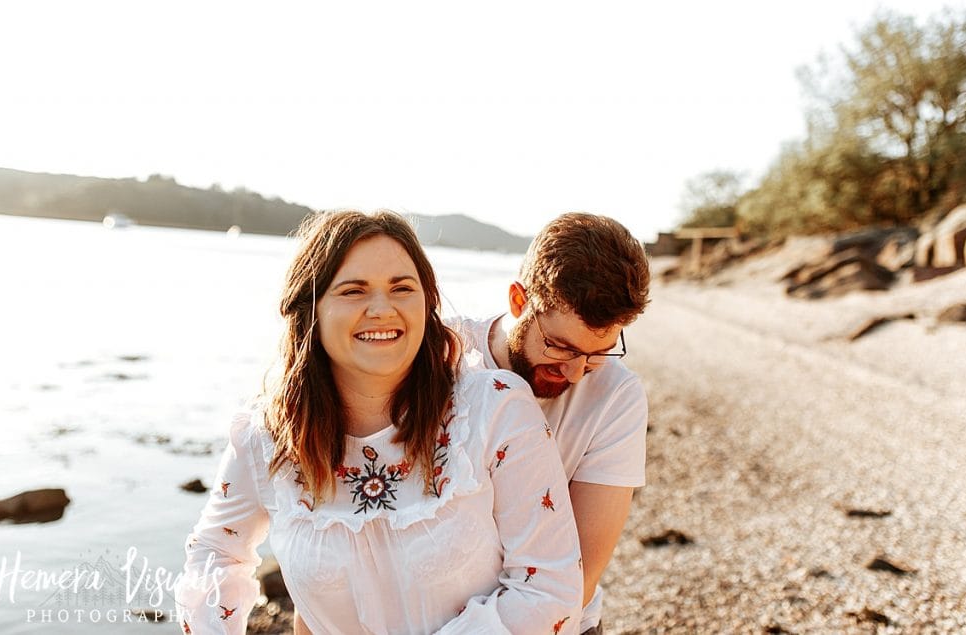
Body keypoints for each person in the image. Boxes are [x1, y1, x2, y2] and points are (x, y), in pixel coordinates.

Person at [175, 210, 583, 634]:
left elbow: (550, 590)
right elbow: (215, 554)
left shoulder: (493, 409)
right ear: (310, 310)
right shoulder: (267, 436)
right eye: (354, 291)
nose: (382, 309)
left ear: (427, 303)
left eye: (402, 288)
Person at [451, 213, 651, 635]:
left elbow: (577, 576)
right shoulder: (444, 357)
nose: (577, 373)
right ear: (519, 301)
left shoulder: (617, 396)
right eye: (560, 346)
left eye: (599, 352)